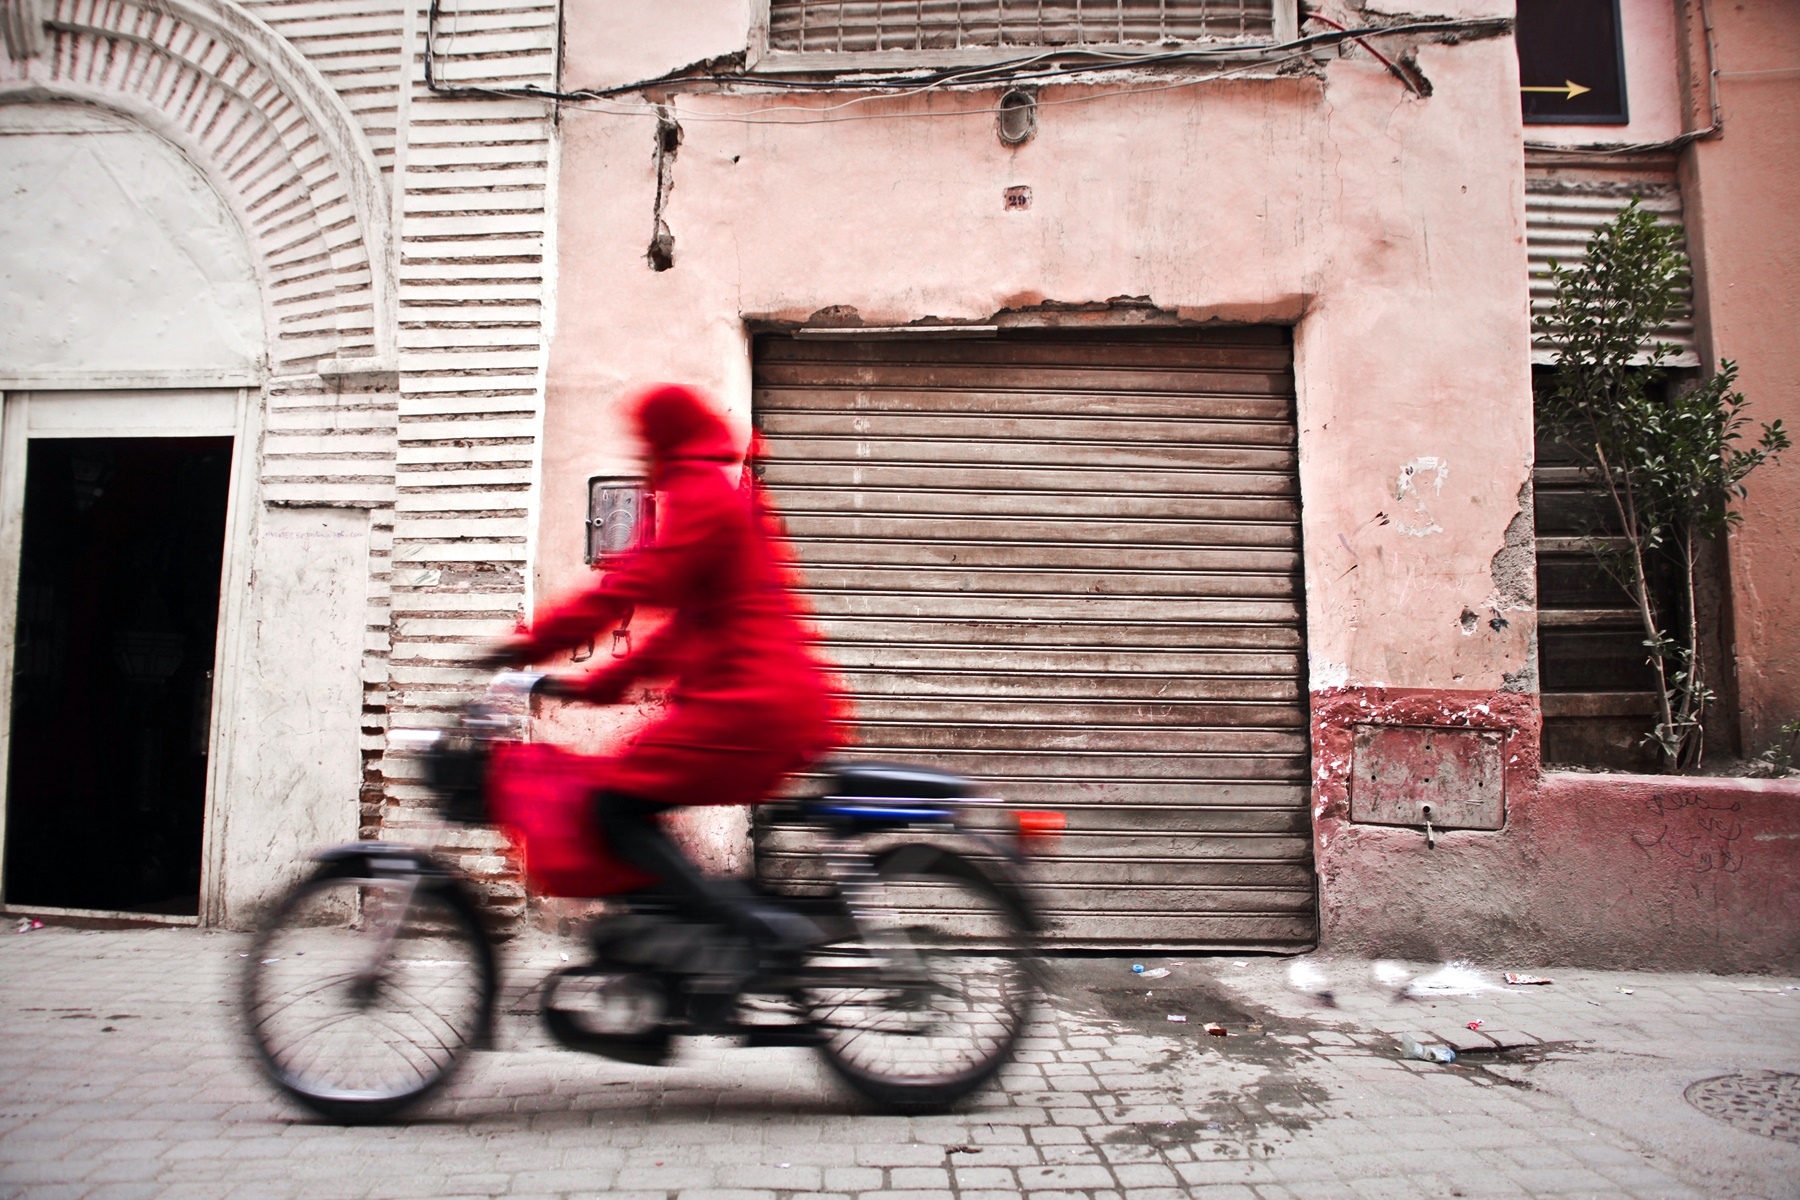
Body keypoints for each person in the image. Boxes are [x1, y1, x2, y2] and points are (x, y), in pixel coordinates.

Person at [486, 383, 836, 957]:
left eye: (645, 440)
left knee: (611, 805)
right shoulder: (712, 494)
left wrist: (527, 644)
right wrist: (599, 686)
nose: (642, 455)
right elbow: (682, 630)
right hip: (760, 703)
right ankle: (690, 941)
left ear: (662, 437)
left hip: (752, 707)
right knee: (630, 801)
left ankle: (733, 942)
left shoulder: (703, 496)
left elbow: (638, 583)